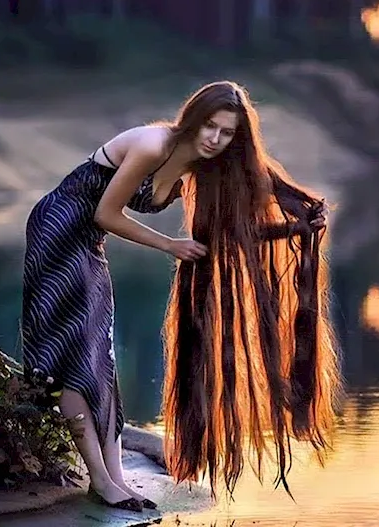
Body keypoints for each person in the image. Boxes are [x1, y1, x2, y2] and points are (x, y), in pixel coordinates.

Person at [20, 81, 341, 512]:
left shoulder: (203, 168)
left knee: (102, 356)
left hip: (88, 242)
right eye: (210, 126)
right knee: (74, 354)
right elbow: (105, 212)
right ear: (193, 118)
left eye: (226, 133)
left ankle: (115, 476)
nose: (215, 139)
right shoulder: (154, 145)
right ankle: (102, 479)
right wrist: (170, 245)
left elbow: (246, 210)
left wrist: (299, 219)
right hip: (58, 230)